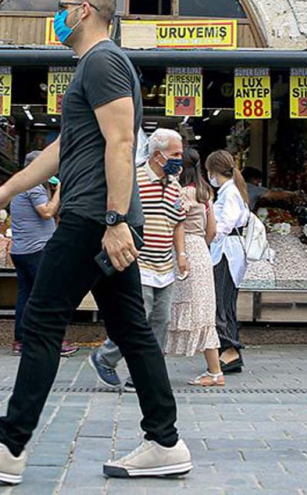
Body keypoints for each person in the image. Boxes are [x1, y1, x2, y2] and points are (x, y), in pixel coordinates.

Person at [0, 0, 191, 484]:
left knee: (42, 319)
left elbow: (121, 144)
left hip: (93, 218)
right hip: (99, 217)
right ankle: (165, 442)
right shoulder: (89, 69)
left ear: (87, 11)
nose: (55, 16)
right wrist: (4, 192)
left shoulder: (103, 61)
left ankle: (9, 445)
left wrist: (116, 221)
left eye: (61, 6)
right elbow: (61, 151)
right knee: (132, 332)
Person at [91, 128, 186, 391]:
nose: (181, 158)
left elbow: (177, 223)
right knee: (137, 318)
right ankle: (105, 357)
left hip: (165, 265)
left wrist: (181, 254)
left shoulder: (174, 185)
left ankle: (144, 373)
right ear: (158, 155)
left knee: (161, 320)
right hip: (138, 262)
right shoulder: (133, 180)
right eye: (176, 154)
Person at [9, 150, 77, 357]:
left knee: (27, 295)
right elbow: (47, 212)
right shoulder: (34, 186)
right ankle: (54, 340)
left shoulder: (20, 185)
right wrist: (60, 190)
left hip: (21, 250)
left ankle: (21, 341)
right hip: (36, 250)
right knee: (50, 295)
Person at [167, 148, 223, 386]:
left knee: (171, 310)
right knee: (202, 314)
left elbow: (175, 224)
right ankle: (215, 371)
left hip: (183, 252)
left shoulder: (181, 193)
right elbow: (212, 231)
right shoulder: (204, 193)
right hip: (201, 251)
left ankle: (149, 370)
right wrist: (200, 245)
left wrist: (182, 251)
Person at [207, 150, 251, 375]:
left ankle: (229, 349)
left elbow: (225, 223)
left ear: (213, 171)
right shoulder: (231, 190)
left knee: (220, 303)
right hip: (228, 249)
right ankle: (230, 350)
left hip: (226, 251)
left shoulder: (229, 192)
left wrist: (209, 236)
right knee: (226, 302)